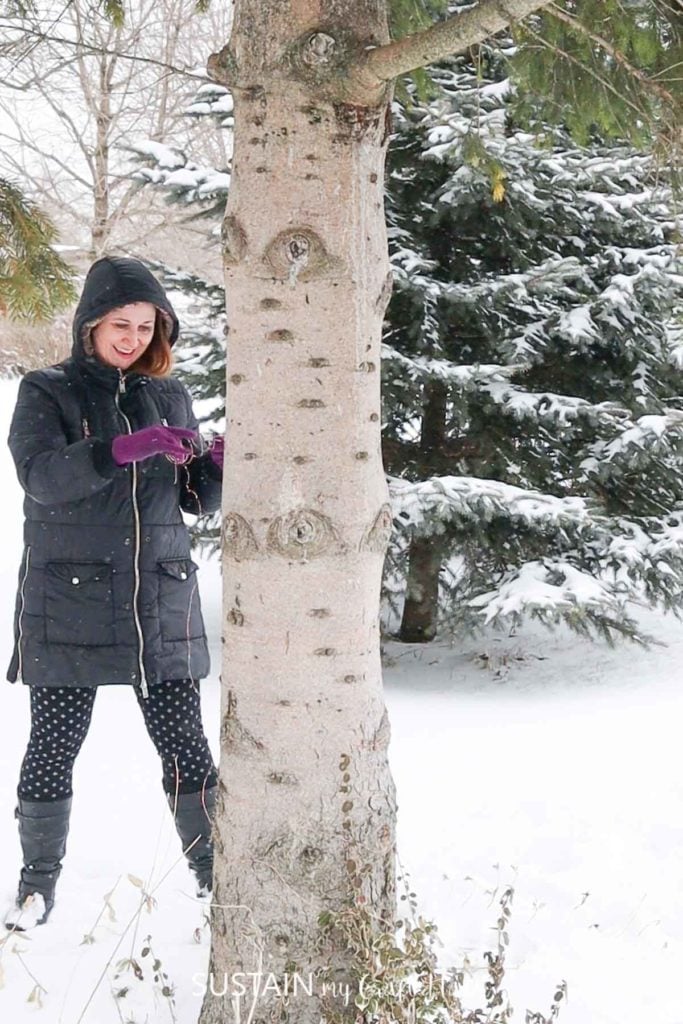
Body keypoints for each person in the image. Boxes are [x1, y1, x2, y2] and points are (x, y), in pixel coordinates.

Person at [3, 256, 224, 931]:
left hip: (158, 597)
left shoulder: (169, 394)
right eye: (119, 324)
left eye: (145, 325)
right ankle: (36, 887)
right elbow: (42, 477)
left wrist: (212, 465)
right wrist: (122, 449)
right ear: (90, 325)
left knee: (186, 745)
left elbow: (191, 503)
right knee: (55, 743)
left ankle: (216, 879)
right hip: (71, 599)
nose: (131, 337)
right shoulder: (47, 390)